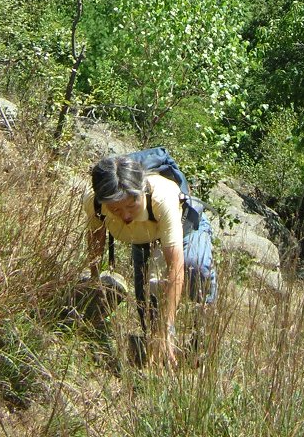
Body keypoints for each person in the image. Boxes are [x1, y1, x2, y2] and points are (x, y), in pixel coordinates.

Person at [82, 154, 217, 365]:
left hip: (185, 226)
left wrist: (167, 329)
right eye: (116, 209)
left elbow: (176, 265)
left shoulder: (162, 198)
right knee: (147, 301)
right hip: (144, 236)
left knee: (196, 268)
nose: (125, 216)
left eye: (131, 206)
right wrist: (94, 280)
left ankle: (202, 337)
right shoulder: (95, 201)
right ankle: (154, 357)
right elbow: (96, 237)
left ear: (141, 191)